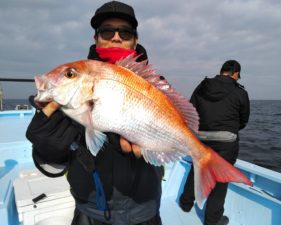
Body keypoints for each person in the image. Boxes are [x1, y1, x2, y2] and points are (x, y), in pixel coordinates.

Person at [26, 1, 163, 225]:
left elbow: (169, 141)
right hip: (91, 210)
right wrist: (45, 149)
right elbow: (53, 168)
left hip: (145, 209)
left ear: (135, 40)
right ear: (96, 38)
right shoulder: (71, 89)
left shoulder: (154, 86)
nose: (116, 37)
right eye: (107, 31)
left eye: (125, 32)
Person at [179, 60, 250, 225]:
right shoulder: (240, 92)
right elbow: (244, 120)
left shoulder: (203, 86)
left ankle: (185, 203)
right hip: (227, 141)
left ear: (221, 71)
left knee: (197, 169)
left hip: (201, 138)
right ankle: (213, 219)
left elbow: (191, 109)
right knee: (220, 178)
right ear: (236, 74)